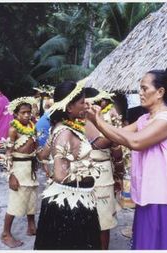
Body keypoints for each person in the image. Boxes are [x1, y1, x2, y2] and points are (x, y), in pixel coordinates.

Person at [87, 68, 167, 250]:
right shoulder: (145, 118)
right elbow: (116, 136)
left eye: (144, 88)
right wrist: (95, 120)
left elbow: (136, 142)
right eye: (140, 89)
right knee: (147, 243)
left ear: (160, 92)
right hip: (150, 192)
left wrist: (100, 122)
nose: (140, 93)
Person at [34, 81, 101, 250]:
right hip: (70, 205)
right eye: (82, 102)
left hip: (77, 198)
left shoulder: (63, 127)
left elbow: (42, 155)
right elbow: (60, 175)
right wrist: (87, 170)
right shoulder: (64, 132)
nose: (86, 105)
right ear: (69, 107)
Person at [84, 87, 124, 250]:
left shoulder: (103, 118)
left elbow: (116, 150)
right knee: (90, 216)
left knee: (103, 219)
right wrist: (115, 138)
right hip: (88, 172)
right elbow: (101, 143)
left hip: (105, 172)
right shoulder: (84, 119)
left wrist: (119, 173)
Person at [0, 96, 39, 248]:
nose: (27, 115)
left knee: (31, 198)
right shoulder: (13, 129)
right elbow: (7, 153)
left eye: (29, 112)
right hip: (18, 168)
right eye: (23, 112)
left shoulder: (31, 126)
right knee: (16, 201)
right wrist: (11, 176)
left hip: (30, 167)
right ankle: (5, 233)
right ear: (15, 115)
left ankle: (31, 226)